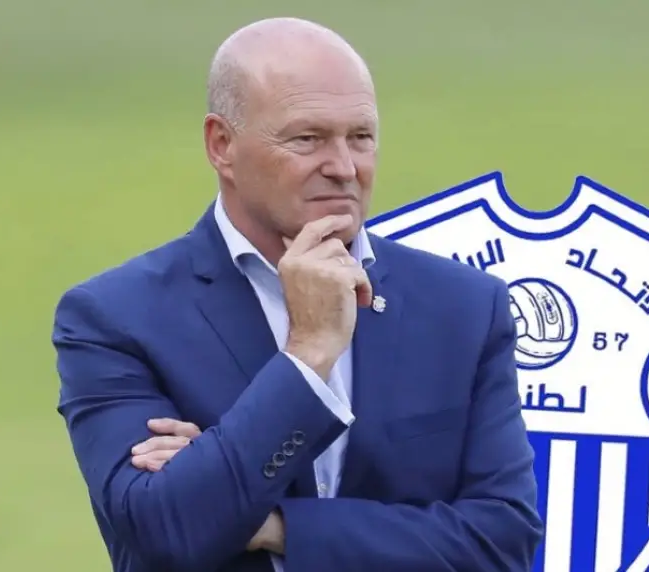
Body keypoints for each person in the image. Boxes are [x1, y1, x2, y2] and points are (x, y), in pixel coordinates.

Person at [52, 16, 543, 572]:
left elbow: (502, 544)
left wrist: (275, 524)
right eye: (307, 139)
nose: (343, 168)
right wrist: (307, 355)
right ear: (222, 145)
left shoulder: (465, 309)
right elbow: (163, 530)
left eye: (360, 137)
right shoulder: (116, 317)